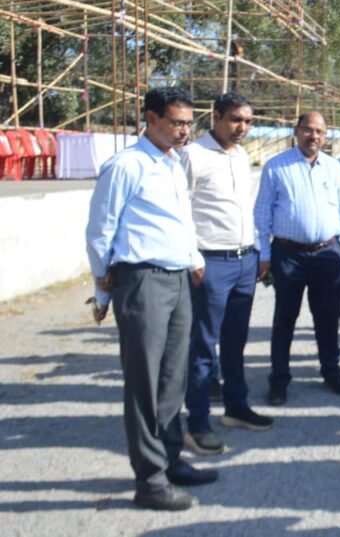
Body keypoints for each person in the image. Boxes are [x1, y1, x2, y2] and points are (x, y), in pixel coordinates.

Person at [85, 87, 215, 511]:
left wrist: (193, 258)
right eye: (176, 122)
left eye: (188, 123)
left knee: (172, 380)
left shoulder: (173, 163)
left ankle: (170, 459)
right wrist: (102, 291)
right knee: (144, 382)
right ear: (151, 117)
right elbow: (101, 231)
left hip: (177, 280)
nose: (184, 131)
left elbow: (180, 221)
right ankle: (150, 480)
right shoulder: (126, 165)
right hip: (141, 281)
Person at [181, 93, 273, 457]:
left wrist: (257, 250)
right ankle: (197, 422)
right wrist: (192, 258)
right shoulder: (193, 155)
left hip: (244, 260)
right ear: (216, 116)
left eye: (248, 121)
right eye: (235, 119)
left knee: (236, 341)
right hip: (210, 262)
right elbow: (179, 210)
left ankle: (236, 407)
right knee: (203, 345)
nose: (242, 128)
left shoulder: (240, 155)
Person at [253, 111, 340, 406]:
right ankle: (279, 380)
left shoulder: (334, 168)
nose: (314, 136)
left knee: (328, 317)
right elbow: (262, 213)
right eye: (308, 130)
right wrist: (265, 255)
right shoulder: (276, 166)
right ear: (296, 131)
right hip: (289, 255)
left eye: (320, 131)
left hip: (329, 254)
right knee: (285, 319)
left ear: (326, 135)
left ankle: (331, 372)